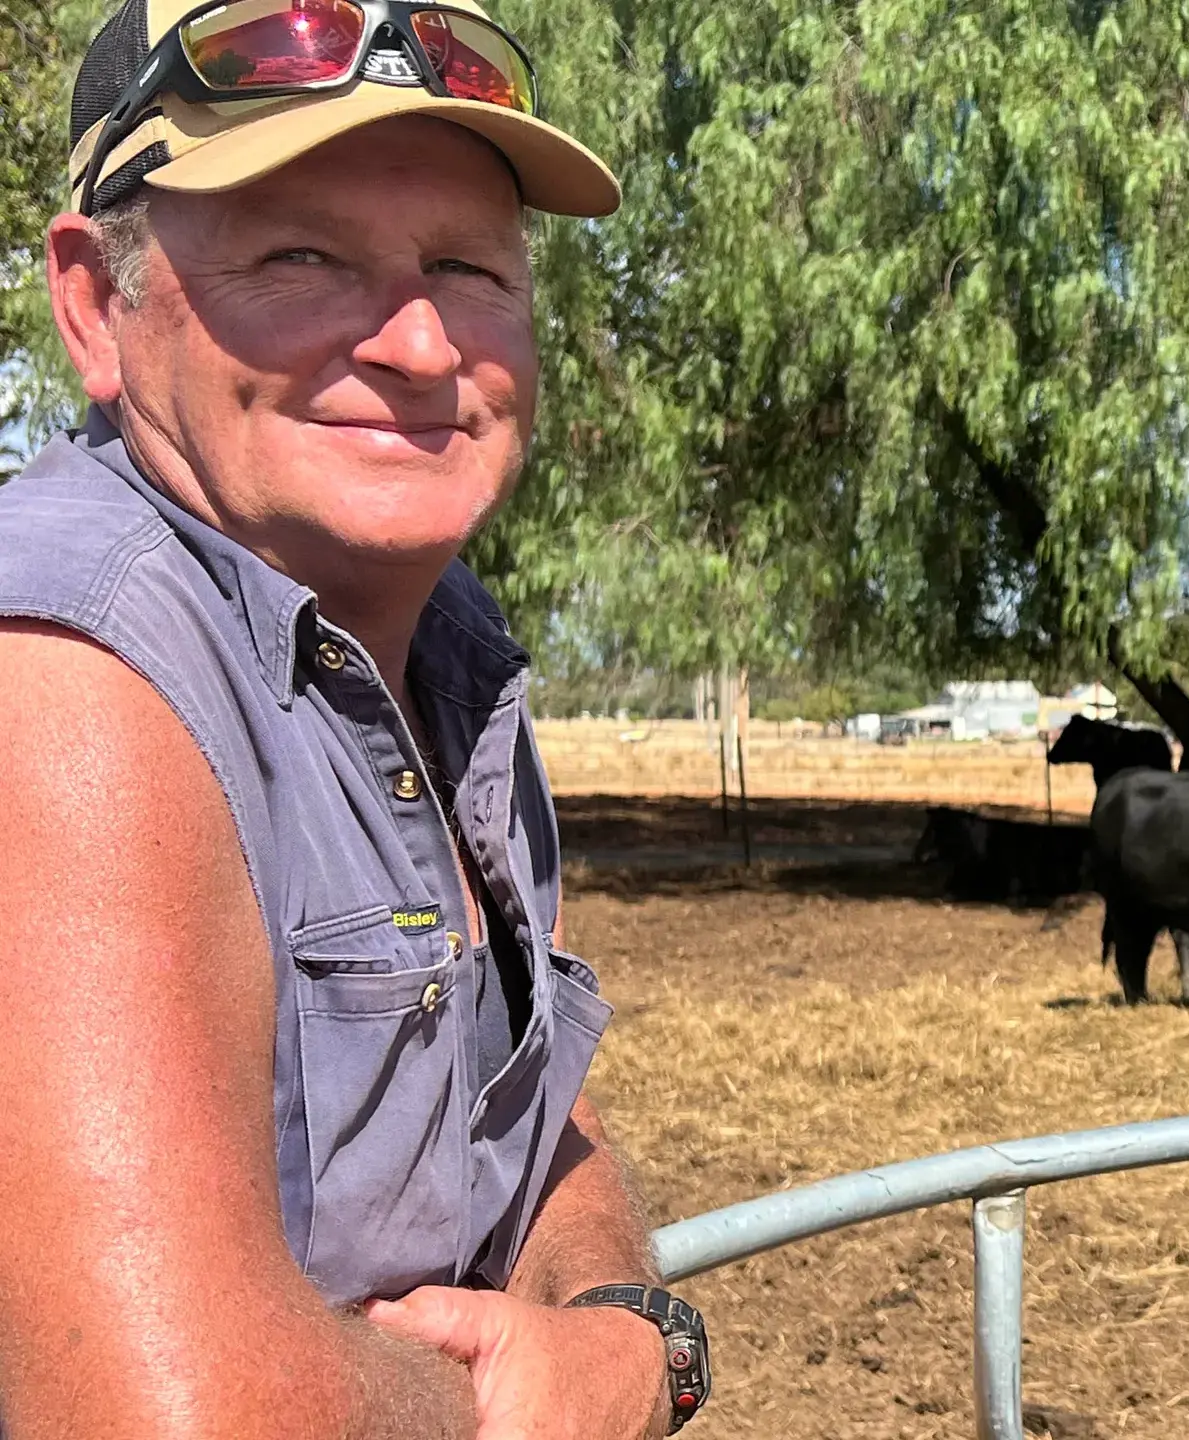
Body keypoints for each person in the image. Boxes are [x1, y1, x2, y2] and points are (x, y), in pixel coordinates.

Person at [0, 0, 709, 1433]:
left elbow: (522, 1115)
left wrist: (630, 1336)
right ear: (95, 305)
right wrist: (544, 1409)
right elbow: (166, 1415)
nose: (421, 346)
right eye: (301, 256)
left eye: (468, 266)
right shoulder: (65, 667)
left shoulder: (438, 649)